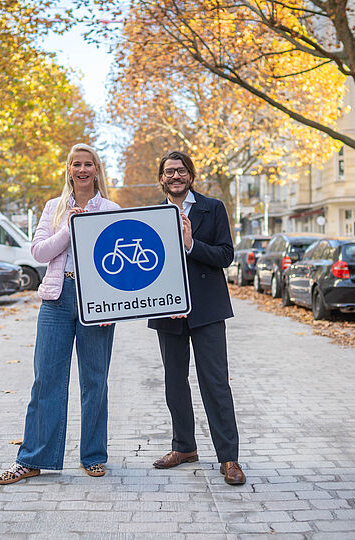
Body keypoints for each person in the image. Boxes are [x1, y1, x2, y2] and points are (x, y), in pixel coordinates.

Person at [0, 143, 120, 485]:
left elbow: (117, 264)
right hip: (57, 297)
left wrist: (112, 304)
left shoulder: (110, 208)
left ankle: (93, 456)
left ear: (97, 170)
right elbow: (38, 252)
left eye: (88, 164)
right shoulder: (54, 208)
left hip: (96, 301)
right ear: (68, 169)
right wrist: (69, 227)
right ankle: (33, 458)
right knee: (46, 379)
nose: (82, 170)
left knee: (95, 381)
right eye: (76, 164)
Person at [147, 150, 246, 485]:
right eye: (169, 171)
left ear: (191, 174)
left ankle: (229, 458)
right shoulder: (152, 215)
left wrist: (191, 244)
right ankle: (184, 447)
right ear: (161, 178)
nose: (175, 176)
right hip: (166, 309)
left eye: (181, 170)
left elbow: (226, 255)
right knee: (175, 382)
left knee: (215, 383)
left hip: (207, 308)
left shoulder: (212, 208)